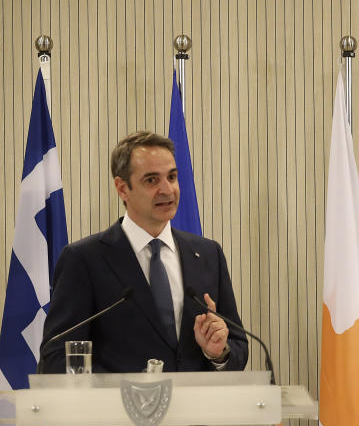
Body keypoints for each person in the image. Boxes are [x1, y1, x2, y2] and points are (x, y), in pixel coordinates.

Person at [39, 131, 248, 373]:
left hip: (195, 408)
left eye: (172, 177)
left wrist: (218, 353)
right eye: (151, 180)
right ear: (122, 188)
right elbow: (57, 355)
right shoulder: (84, 259)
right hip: (118, 409)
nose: (167, 189)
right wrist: (131, 391)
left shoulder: (208, 254)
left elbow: (237, 345)